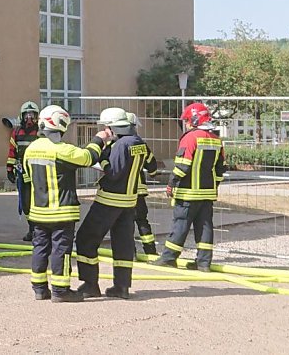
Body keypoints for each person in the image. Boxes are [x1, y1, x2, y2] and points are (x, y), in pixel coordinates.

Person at [23, 105, 108, 302]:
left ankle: (39, 289)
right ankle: (60, 291)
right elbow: (88, 157)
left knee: (40, 248)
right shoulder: (62, 150)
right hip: (61, 212)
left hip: (38, 212)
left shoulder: (31, 149)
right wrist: (99, 139)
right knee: (61, 250)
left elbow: (28, 175)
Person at [75, 108, 157, 300]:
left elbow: (113, 172)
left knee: (85, 239)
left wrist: (102, 160)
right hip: (129, 202)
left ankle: (90, 285)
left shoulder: (122, 145)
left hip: (109, 201)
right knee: (123, 244)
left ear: (113, 127)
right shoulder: (138, 142)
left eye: (106, 127)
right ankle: (122, 287)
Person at [152, 102, 226, 272]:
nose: (185, 124)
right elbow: (220, 169)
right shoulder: (217, 140)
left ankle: (169, 258)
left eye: (186, 120)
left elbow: (182, 166)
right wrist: (213, 186)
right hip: (207, 194)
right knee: (205, 227)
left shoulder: (190, 138)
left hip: (187, 194)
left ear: (194, 120)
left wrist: (171, 183)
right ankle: (203, 263)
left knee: (180, 225)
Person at [6, 101, 40, 241]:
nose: (29, 118)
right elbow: (12, 151)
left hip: (38, 172)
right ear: (22, 116)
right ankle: (32, 228)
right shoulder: (16, 132)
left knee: (38, 201)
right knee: (25, 202)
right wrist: (9, 169)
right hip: (22, 172)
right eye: (27, 115)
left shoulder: (40, 132)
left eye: (32, 115)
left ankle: (39, 230)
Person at [127, 112, 158, 256]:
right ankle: (150, 251)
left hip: (121, 191)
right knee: (142, 221)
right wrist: (152, 173)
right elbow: (152, 166)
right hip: (138, 191)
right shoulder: (141, 144)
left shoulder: (114, 144)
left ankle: (129, 253)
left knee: (125, 223)